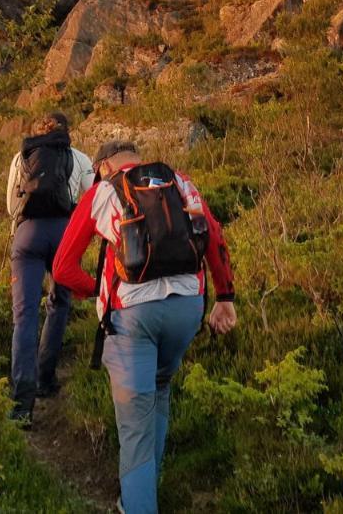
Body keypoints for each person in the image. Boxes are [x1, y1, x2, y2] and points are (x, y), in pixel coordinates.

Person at [53, 139, 236, 514]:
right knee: (160, 389)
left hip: (132, 316)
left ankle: (135, 504)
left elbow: (62, 268)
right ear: (137, 159)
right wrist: (225, 298)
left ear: (104, 166)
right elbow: (214, 237)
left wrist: (94, 292)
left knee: (135, 427)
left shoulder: (103, 191)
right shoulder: (179, 182)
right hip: (187, 310)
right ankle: (148, 488)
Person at [6, 111, 94, 426]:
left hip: (27, 235)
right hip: (65, 236)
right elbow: (91, 202)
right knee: (59, 304)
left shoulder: (23, 157)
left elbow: (10, 206)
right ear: (67, 131)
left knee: (24, 316)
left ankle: (22, 405)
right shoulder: (80, 158)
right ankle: (46, 379)